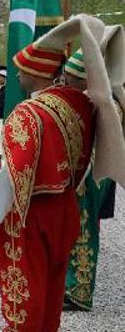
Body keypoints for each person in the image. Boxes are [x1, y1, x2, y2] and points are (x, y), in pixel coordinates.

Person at [0, 43, 95, 331]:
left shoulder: (28, 112)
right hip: (66, 205)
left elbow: (15, 170)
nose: (17, 75)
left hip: (31, 211)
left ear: (36, 71)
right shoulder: (75, 104)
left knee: (25, 288)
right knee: (53, 286)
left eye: (21, 69)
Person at [60, 49, 119, 312]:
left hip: (91, 174)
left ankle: (80, 293)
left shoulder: (104, 103)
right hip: (88, 171)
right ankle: (71, 283)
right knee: (78, 228)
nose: (65, 80)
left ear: (86, 79)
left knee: (84, 230)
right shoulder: (98, 99)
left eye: (70, 76)